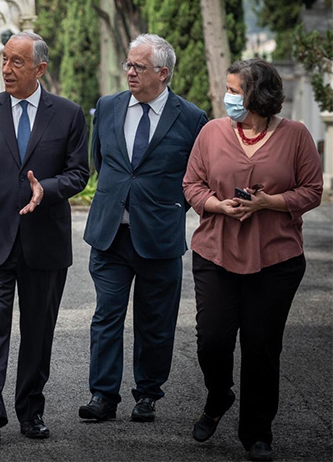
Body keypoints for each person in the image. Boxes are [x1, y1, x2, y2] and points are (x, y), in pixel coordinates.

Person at [183, 58, 322, 462]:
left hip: (275, 258)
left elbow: (312, 190)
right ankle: (218, 395)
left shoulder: (296, 136)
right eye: (227, 90)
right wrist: (217, 206)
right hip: (215, 251)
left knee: (261, 346)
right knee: (213, 340)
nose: (227, 98)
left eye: (234, 90)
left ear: (258, 94)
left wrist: (269, 203)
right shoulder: (211, 132)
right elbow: (191, 184)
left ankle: (258, 432)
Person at [0, 31, 89, 442]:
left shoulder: (68, 114)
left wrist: (45, 189)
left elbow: (79, 173)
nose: (6, 68)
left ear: (40, 69)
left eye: (16, 61)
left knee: (37, 331)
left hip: (44, 241)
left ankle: (31, 410)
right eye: (4, 59)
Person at [79, 34, 207, 424]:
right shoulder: (108, 106)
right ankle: (103, 395)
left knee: (156, 323)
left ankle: (148, 394)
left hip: (160, 238)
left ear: (163, 73)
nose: (130, 72)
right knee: (106, 316)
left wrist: (166, 209)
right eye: (128, 65)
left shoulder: (191, 118)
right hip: (111, 235)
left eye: (139, 67)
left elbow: (195, 176)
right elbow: (100, 161)